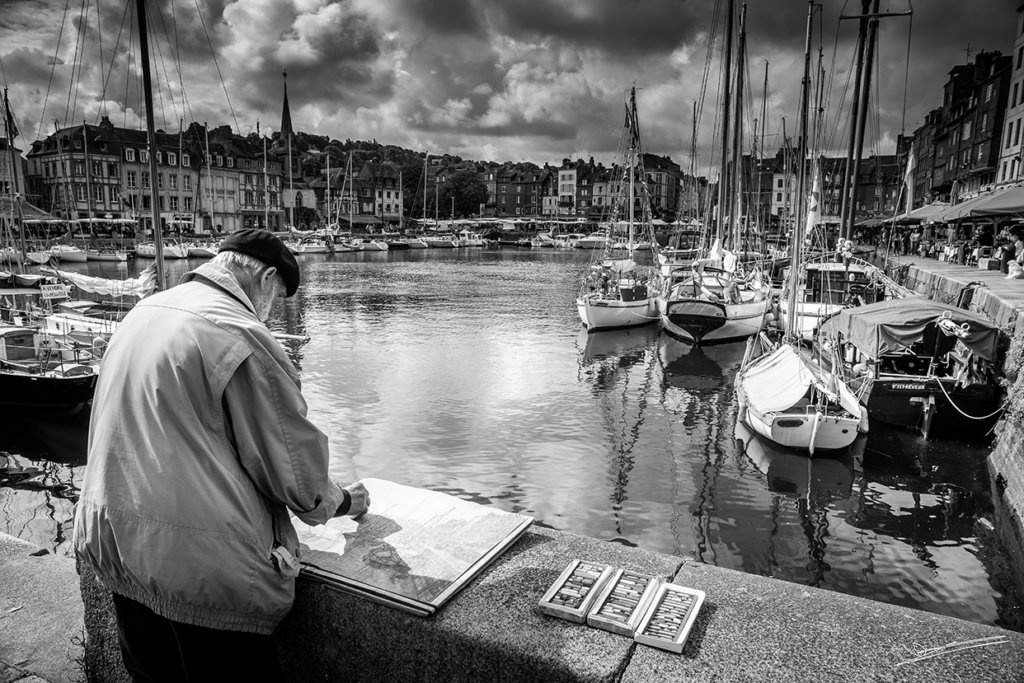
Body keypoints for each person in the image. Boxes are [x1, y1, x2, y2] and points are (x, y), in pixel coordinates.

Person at [74, 229, 369, 682]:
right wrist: (345, 502)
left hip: (115, 540)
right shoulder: (239, 332)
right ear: (267, 276)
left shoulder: (145, 310)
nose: (272, 308)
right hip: (198, 568)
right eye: (279, 295)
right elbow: (293, 471)